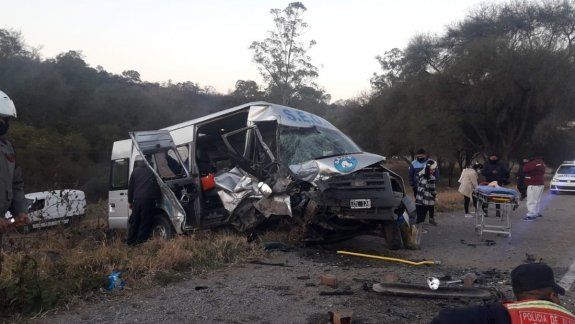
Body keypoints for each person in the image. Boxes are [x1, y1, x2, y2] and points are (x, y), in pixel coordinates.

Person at [430, 263, 575, 324]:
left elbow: (444, 319)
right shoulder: (570, 318)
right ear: (552, 295)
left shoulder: (499, 313)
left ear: (517, 294)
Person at [0, 90, 30, 273]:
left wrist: (20, 211)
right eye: (3, 119)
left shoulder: (7, 147)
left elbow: (15, 184)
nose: (6, 124)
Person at [127, 155, 162, 245]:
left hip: (137, 201)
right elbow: (156, 186)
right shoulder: (151, 171)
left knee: (135, 222)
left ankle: (130, 242)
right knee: (145, 222)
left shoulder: (135, 172)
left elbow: (130, 188)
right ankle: (140, 242)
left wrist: (130, 201)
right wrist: (159, 198)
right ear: (149, 161)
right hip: (148, 201)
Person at [522, 155, 546, 222]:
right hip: (540, 183)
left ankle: (531, 215)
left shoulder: (534, 162)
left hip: (533, 184)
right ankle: (536, 212)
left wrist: (526, 163)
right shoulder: (542, 162)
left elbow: (525, 169)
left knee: (531, 200)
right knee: (537, 200)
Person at [416, 160, 438, 227]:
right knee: (424, 213)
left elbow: (417, 184)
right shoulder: (432, 178)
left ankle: (417, 226)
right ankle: (420, 228)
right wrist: (435, 195)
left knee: (419, 212)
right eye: (433, 170)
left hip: (419, 197)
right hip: (426, 199)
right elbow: (433, 189)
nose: (434, 171)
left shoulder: (420, 175)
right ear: (431, 169)